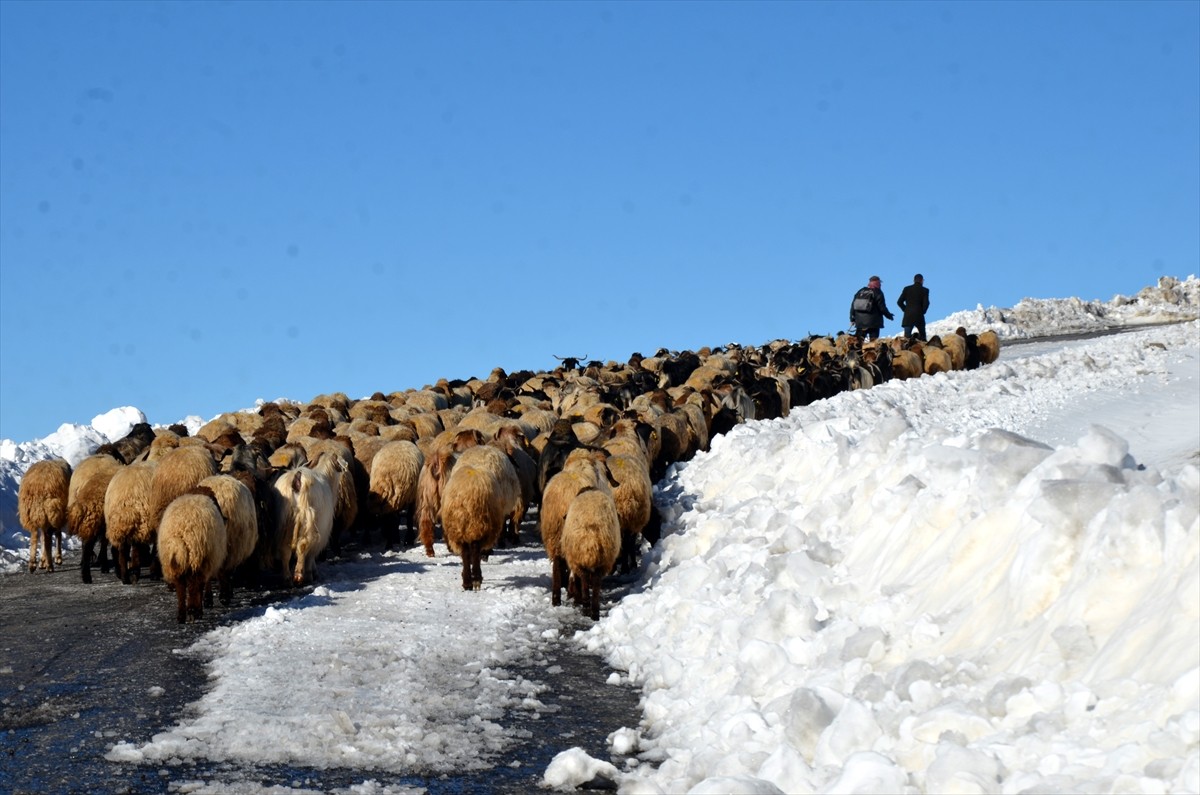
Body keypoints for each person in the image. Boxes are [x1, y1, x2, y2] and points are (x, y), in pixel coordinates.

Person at [849, 275, 894, 341]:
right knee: (873, 342)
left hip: (860, 322)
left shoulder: (860, 291)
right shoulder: (878, 292)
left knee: (858, 342)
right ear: (877, 283)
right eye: (880, 283)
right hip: (874, 323)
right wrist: (889, 315)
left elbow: (853, 306)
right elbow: (882, 308)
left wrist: (852, 319)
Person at [897, 273, 930, 341]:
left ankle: (906, 351)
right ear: (922, 280)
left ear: (914, 280)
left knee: (906, 338)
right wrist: (922, 311)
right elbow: (926, 303)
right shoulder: (925, 290)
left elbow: (899, 302)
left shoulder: (907, 289)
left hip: (908, 316)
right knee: (923, 337)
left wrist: (905, 309)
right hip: (919, 315)